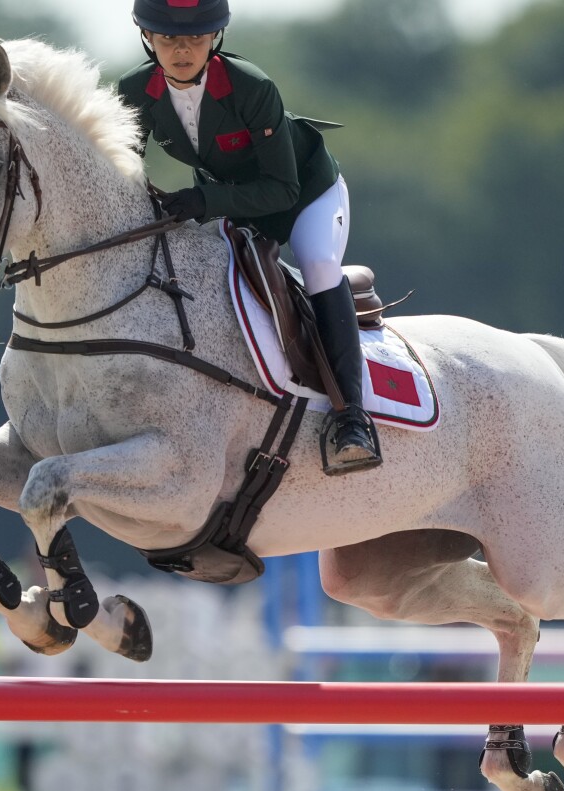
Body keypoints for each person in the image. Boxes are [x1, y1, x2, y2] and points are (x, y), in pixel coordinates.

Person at [117, 0, 381, 476]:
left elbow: (283, 189)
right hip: (230, 201)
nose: (182, 51)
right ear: (146, 37)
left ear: (214, 38)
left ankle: (352, 419)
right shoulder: (134, 91)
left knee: (319, 262)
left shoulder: (251, 87)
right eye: (169, 39)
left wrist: (203, 203)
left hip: (307, 196)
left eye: (195, 39)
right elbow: (123, 171)